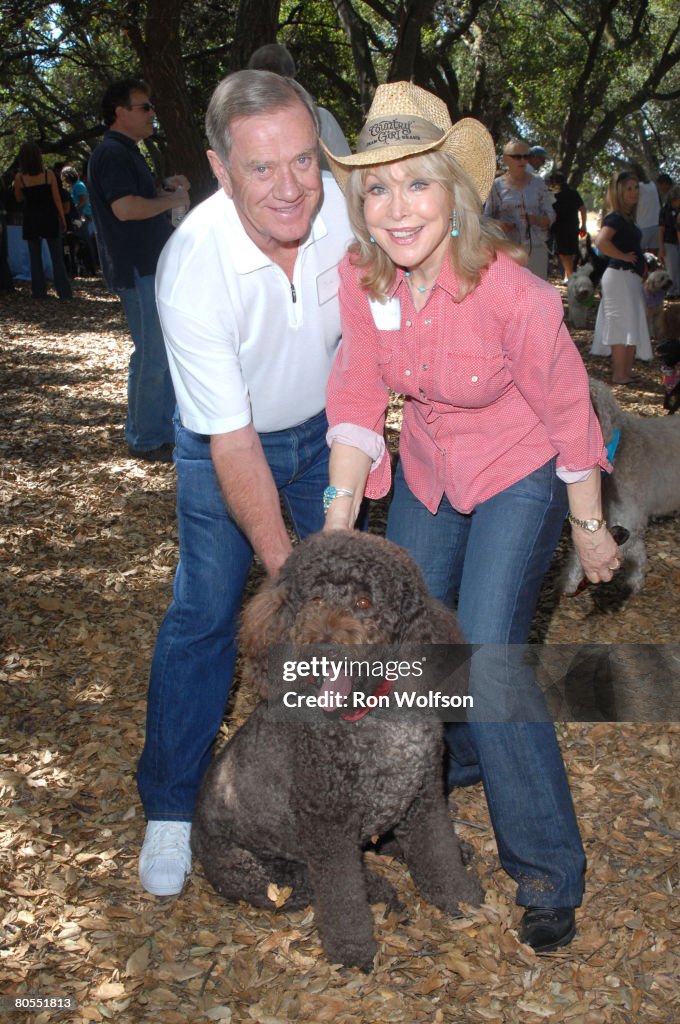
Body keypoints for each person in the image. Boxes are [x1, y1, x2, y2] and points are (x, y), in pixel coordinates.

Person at [320, 81, 624, 953]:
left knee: (488, 656)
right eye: (377, 187)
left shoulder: (512, 294)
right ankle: (446, 772)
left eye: (417, 183)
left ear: (454, 193)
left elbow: (570, 412)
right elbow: (355, 395)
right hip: (426, 464)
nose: (396, 206)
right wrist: (340, 520)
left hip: (520, 466)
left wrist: (593, 526)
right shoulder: (363, 277)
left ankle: (546, 871)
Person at [136, 69, 352, 897]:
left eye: (303, 161)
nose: (291, 189)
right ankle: (168, 805)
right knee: (206, 614)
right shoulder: (192, 265)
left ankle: (363, 769)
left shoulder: (340, 212)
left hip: (327, 434)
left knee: (365, 604)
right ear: (221, 171)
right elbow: (231, 441)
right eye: (262, 169)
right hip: (226, 446)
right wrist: (288, 577)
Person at [88, 78, 189, 462]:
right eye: (144, 107)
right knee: (151, 354)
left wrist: (164, 188)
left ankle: (159, 430)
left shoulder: (124, 151)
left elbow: (136, 197)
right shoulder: (112, 153)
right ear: (120, 112)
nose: (152, 113)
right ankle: (145, 438)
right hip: (137, 267)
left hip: (147, 266)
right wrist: (172, 201)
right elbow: (125, 208)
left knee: (158, 351)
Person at [246, 43, 351, 172]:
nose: (270, 83)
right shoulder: (242, 127)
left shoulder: (321, 119)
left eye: (274, 72)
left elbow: (347, 173)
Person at [590, 170, 653, 383]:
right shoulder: (615, 218)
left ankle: (625, 372)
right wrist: (624, 257)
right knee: (620, 324)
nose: (634, 192)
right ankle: (619, 373)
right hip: (619, 277)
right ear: (619, 192)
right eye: (629, 188)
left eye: (636, 188)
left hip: (629, 278)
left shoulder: (627, 219)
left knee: (631, 322)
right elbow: (601, 242)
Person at [483, 138, 555, 279]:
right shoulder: (496, 186)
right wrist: (500, 225)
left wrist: (537, 220)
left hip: (536, 249)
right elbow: (486, 219)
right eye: (517, 157)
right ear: (506, 159)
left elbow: (551, 215)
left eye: (526, 156)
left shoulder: (539, 183)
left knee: (536, 294)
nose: (522, 161)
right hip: (507, 250)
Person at [13, 142, 72, 301]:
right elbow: (57, 199)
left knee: (35, 258)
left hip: (31, 218)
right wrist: (62, 219)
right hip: (50, 217)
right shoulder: (49, 174)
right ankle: (64, 292)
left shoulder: (19, 178)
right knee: (57, 258)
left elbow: (18, 198)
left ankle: (39, 292)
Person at [61, 165, 98, 275]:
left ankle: (90, 268)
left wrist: (74, 209)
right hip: (80, 216)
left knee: (85, 243)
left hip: (83, 216)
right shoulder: (74, 186)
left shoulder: (78, 186)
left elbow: (83, 200)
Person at [549, 170, 587, 281]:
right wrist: (583, 225)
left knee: (564, 253)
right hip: (573, 226)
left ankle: (571, 276)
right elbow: (583, 209)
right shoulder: (573, 193)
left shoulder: (554, 196)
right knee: (571, 252)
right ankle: (570, 275)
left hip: (561, 228)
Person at [631, 163, 660, 254]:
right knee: (653, 258)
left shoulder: (637, 188)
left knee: (639, 255)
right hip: (656, 225)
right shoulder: (652, 184)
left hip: (642, 226)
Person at [658, 183, 680, 299]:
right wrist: (661, 247)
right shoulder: (664, 210)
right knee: (672, 268)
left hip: (678, 242)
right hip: (669, 242)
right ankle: (671, 292)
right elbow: (661, 230)